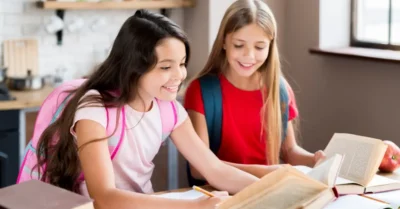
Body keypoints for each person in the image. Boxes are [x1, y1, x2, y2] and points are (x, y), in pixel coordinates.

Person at [17, 10, 259, 209]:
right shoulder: (95, 109)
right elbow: (104, 197)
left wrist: (271, 191)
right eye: (165, 67)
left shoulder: (169, 109)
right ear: (135, 67)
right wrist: (192, 207)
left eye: (182, 64)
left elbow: (214, 169)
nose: (179, 75)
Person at [184, 0, 325, 185]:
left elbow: (290, 151)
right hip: (220, 195)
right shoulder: (201, 91)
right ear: (224, 42)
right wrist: (264, 172)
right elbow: (199, 168)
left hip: (267, 193)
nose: (249, 55)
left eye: (259, 47)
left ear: (270, 46)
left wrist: (315, 160)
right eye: (239, 45)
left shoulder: (279, 89)